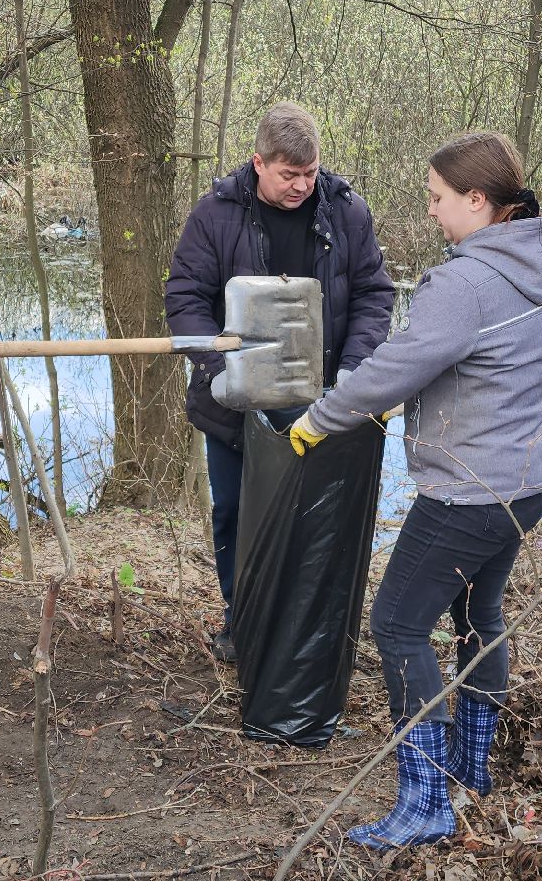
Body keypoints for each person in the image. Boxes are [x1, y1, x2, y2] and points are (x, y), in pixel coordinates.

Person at [288, 131, 542, 847]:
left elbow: (402, 363)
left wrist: (321, 418)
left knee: (398, 625)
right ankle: (471, 769)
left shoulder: (467, 281)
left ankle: (425, 805)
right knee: (480, 612)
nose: (433, 213)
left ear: (479, 201)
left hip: (472, 489)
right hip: (531, 478)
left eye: (438, 200)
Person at [166, 101, 396, 663]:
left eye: (310, 173)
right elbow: (184, 298)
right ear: (259, 163)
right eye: (288, 175)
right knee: (237, 515)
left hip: (323, 399)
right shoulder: (215, 216)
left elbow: (374, 294)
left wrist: (353, 372)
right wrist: (222, 374)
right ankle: (242, 624)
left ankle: (313, 634)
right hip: (234, 406)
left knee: (318, 518)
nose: (300, 186)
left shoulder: (346, 213)